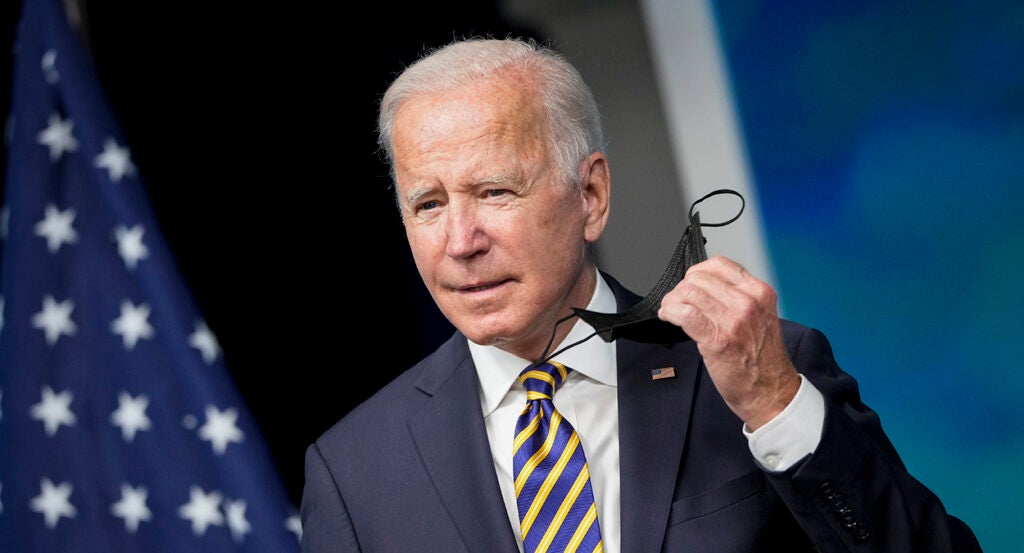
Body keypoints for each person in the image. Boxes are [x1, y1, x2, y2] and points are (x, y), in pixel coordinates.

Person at [299, 36, 982, 553]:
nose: (461, 240)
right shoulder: (355, 471)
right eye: (427, 204)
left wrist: (777, 406)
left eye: (494, 192)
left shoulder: (763, 368)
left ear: (590, 196)